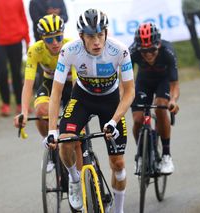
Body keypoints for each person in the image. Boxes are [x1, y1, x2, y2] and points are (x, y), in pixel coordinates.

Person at [45, 9, 135, 212]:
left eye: (100, 35)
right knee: (66, 141)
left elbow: (129, 93)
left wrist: (114, 120)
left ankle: (119, 209)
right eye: (90, 36)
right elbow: (56, 93)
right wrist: (52, 130)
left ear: (106, 32)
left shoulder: (119, 51)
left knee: (118, 164)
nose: (97, 41)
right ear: (81, 36)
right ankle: (75, 180)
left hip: (110, 102)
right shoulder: (69, 51)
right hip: (82, 98)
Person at [13, 14, 82, 172]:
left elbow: (77, 82)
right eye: (50, 39)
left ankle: (79, 178)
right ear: (42, 38)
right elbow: (28, 84)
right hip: (49, 82)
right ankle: (51, 148)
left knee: (76, 136)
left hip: (71, 83)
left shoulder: (70, 46)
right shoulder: (35, 50)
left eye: (58, 37)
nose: (55, 43)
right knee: (41, 112)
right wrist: (23, 112)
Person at [129, 22, 180, 175]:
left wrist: (173, 100)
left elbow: (174, 85)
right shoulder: (132, 52)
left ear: (158, 45)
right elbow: (126, 81)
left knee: (160, 107)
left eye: (152, 50)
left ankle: (166, 155)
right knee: (138, 119)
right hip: (143, 82)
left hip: (162, 82)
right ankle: (140, 155)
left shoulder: (168, 51)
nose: (149, 54)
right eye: (144, 51)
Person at [0, 0, 30, 116]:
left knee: (16, 73)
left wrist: (27, 40)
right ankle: (5, 104)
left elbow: (23, 18)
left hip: (16, 40)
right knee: (2, 73)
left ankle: (20, 103)